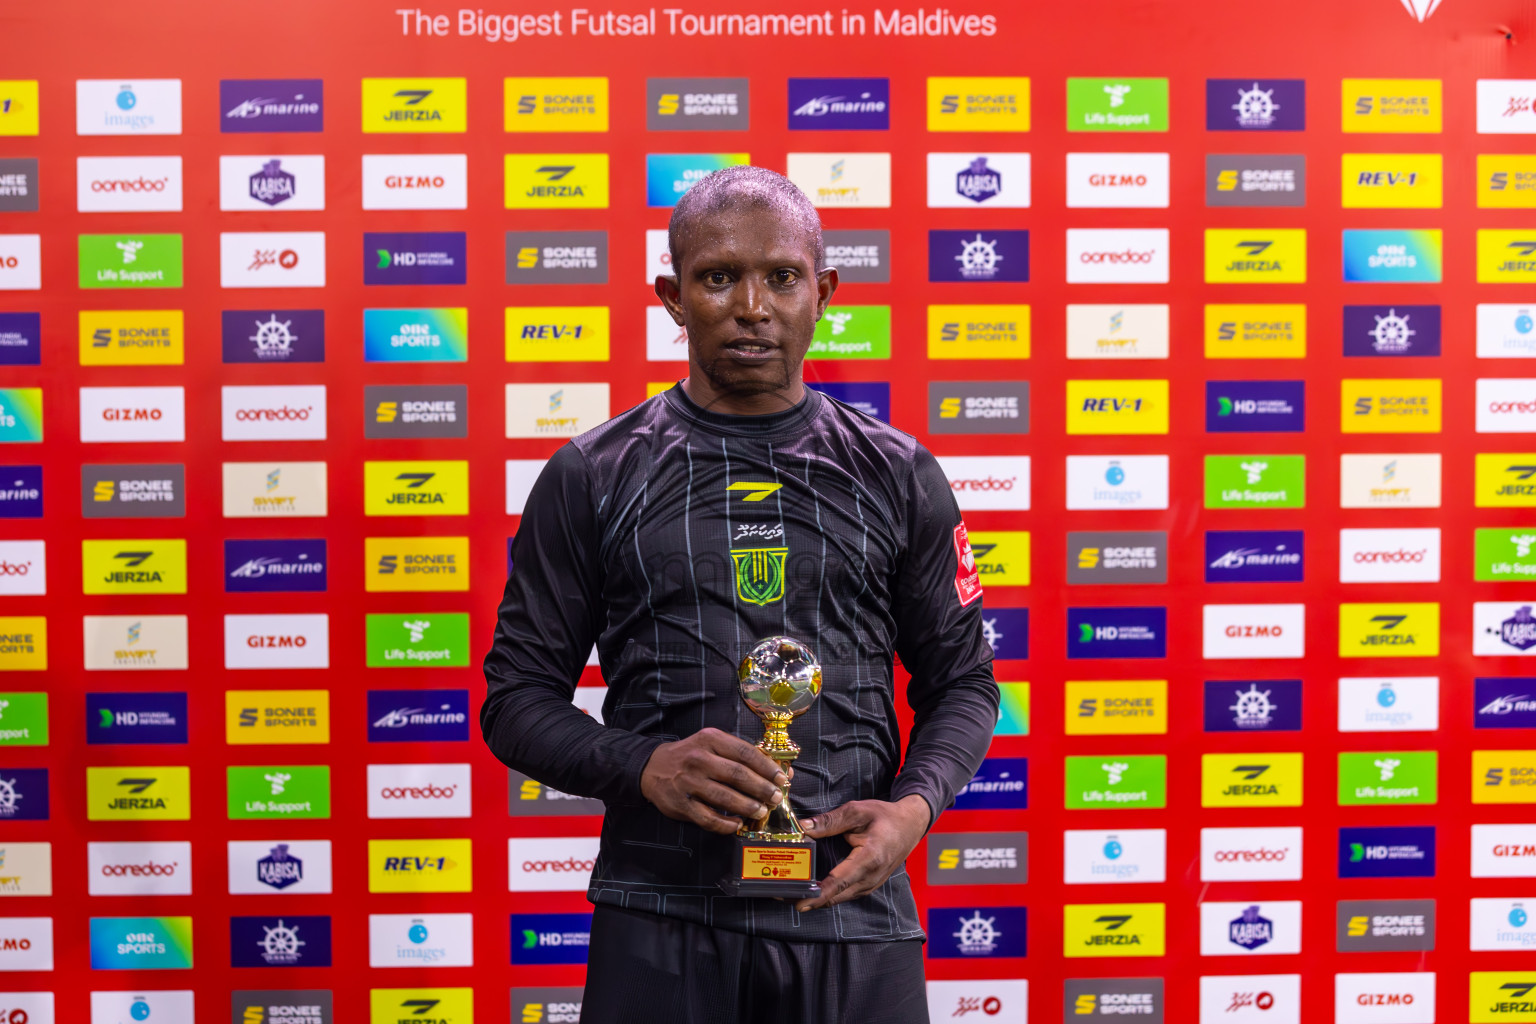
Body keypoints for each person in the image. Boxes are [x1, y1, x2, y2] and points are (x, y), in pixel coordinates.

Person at [482, 165, 1000, 1023]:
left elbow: (965, 684)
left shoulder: (899, 473)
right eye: (718, 276)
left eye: (782, 276)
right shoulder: (593, 475)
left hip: (852, 916)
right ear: (672, 297)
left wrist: (913, 810)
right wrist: (642, 764)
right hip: (658, 914)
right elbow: (515, 701)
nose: (752, 305)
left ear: (823, 291)